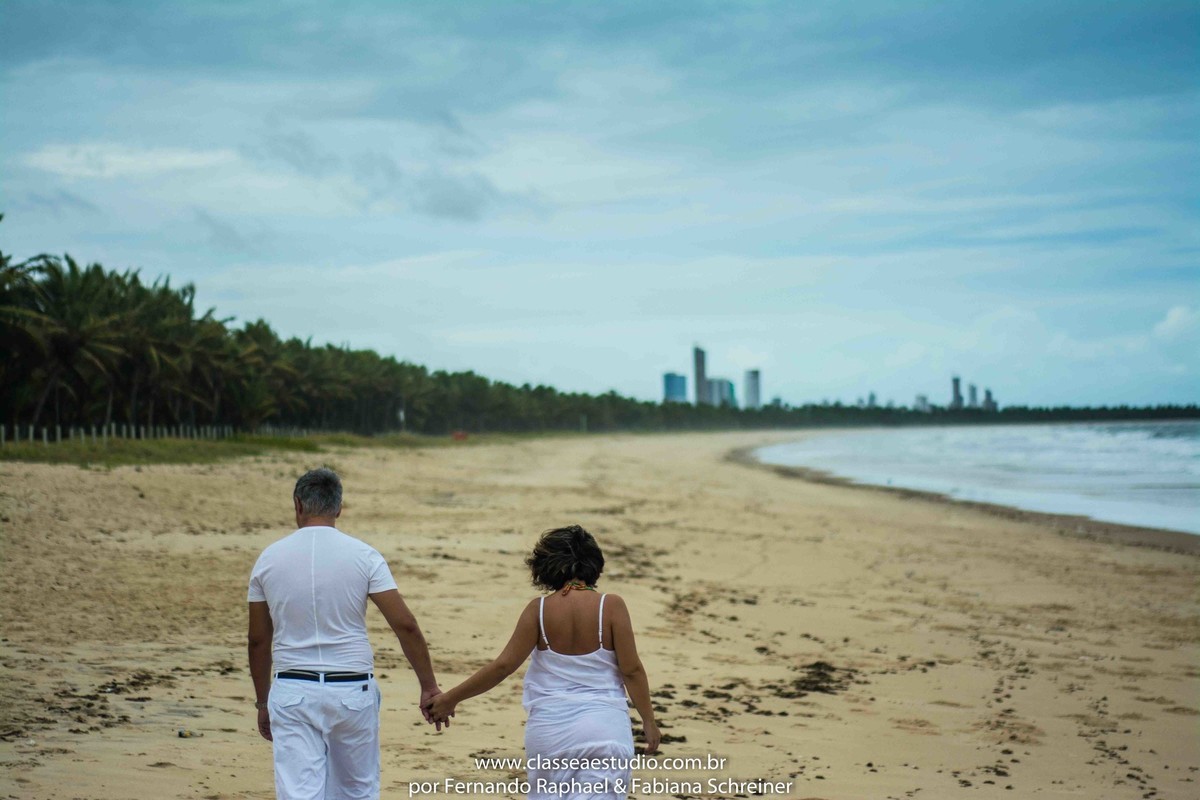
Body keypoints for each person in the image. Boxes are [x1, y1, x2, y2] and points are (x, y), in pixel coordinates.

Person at [247, 467, 443, 800]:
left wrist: (263, 701)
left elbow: (258, 640)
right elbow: (405, 624)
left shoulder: (268, 559)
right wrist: (428, 685)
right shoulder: (364, 556)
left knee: (298, 793)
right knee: (356, 791)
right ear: (338, 507)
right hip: (351, 689)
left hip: (293, 688)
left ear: (298, 505)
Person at [425, 524, 659, 799]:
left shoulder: (538, 610)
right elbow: (631, 670)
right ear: (594, 564)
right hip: (604, 729)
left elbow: (503, 667)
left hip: (550, 733)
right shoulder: (612, 606)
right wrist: (648, 720)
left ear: (545, 566)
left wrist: (451, 698)